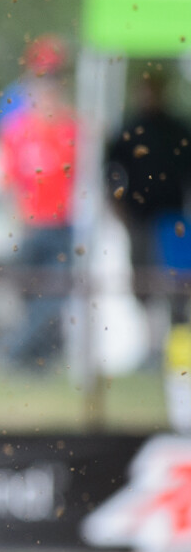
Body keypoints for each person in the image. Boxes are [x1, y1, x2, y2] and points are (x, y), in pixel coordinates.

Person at [105, 69, 191, 427]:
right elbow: (108, 171)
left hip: (173, 221)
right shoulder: (127, 129)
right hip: (141, 220)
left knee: (177, 289)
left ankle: (177, 354)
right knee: (142, 285)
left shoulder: (177, 129)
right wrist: (119, 210)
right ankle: (151, 347)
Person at [0, 62, 77, 368]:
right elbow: (7, 181)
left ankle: (11, 353)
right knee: (27, 298)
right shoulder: (17, 132)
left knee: (55, 298)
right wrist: (18, 219)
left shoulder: (73, 130)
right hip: (30, 227)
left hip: (62, 226)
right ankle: (32, 361)